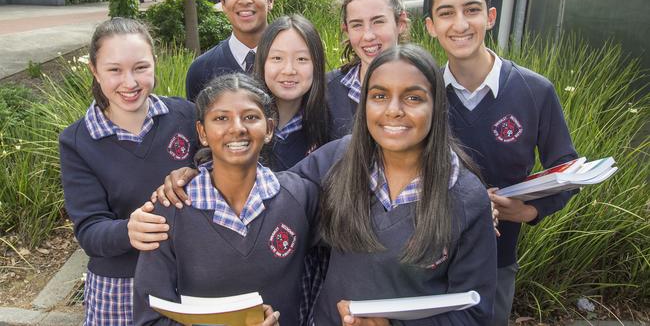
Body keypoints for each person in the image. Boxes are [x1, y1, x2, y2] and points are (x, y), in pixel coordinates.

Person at [130, 45, 497, 325]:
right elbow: (260, 186)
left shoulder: (465, 197)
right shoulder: (339, 161)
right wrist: (194, 173)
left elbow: (475, 311)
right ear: (364, 103)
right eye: (379, 95)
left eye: (414, 97)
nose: (394, 110)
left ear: (437, 105)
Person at [424, 0, 578, 325]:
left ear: (490, 17)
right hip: (425, 257)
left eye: (472, 9)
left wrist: (529, 211)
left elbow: (567, 166)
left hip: (497, 259)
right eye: (446, 13)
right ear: (431, 25)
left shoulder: (534, 91)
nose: (460, 23)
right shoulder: (422, 92)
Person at [132, 73, 319, 326]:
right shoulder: (170, 209)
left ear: (269, 129)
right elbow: (150, 315)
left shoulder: (301, 197)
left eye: (251, 117)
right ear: (202, 132)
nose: (237, 128)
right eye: (221, 118)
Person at [58, 18, 198, 325]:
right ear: (94, 71)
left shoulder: (185, 115)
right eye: (114, 70)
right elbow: (90, 230)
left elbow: (216, 164)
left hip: (188, 277)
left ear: (154, 64)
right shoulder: (77, 141)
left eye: (140, 67)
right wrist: (128, 231)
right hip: (120, 286)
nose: (130, 82)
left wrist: (193, 170)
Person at [327, 0, 408, 138]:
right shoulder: (326, 91)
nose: (368, 36)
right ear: (346, 30)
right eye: (357, 25)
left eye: (378, 22)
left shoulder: (426, 86)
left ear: (400, 23)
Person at [185, 0, 275, 102]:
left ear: (270, 0)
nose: (244, 0)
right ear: (223, 3)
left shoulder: (292, 64)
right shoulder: (201, 70)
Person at [254, 14, 330, 170]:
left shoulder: (328, 127)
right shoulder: (243, 125)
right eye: (277, 58)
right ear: (262, 62)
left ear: (316, 65)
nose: (289, 70)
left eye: (301, 59)